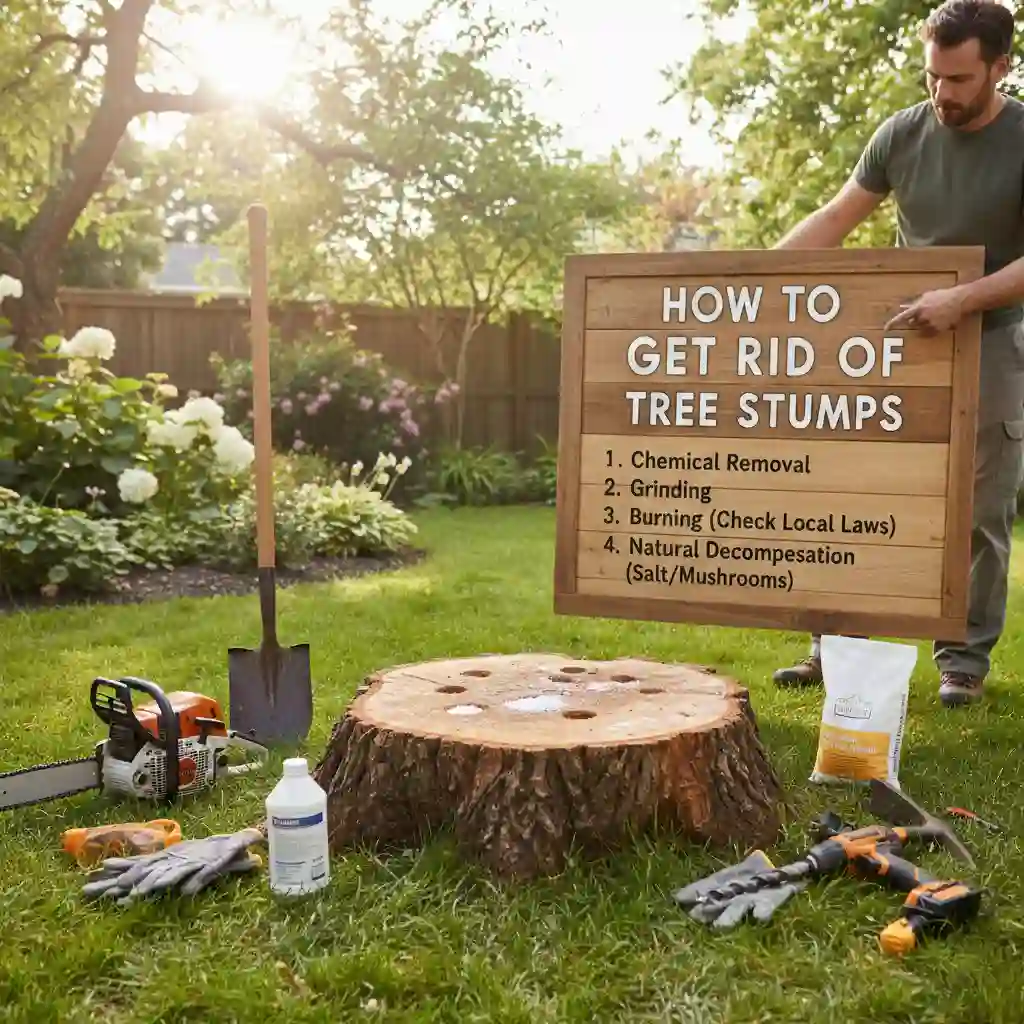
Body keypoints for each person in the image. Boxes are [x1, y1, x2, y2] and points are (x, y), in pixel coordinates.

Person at [769, 0, 1024, 708]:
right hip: (907, 346)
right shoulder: (901, 135)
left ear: (1000, 67)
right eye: (932, 76)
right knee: (859, 493)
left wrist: (964, 300)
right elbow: (836, 217)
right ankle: (836, 647)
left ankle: (962, 663)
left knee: (978, 510)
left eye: (960, 79)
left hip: (994, 339)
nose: (942, 93)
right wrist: (750, 278)